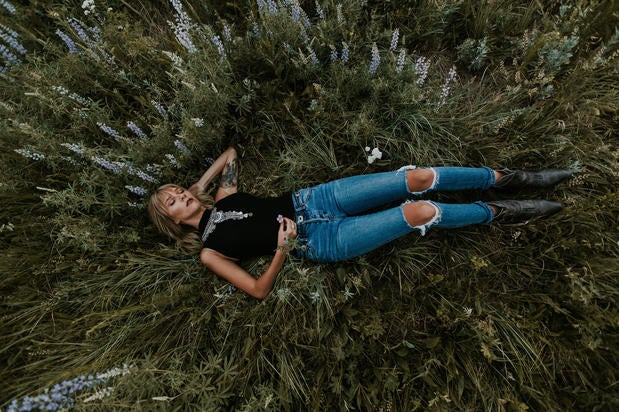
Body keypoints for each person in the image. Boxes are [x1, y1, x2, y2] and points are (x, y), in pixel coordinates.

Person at [148, 146, 572, 299]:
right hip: (319, 239)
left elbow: (230, 153)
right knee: (420, 212)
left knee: (416, 178)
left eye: (178, 191)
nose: (181, 196)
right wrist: (281, 250)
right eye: (173, 201)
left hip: (316, 198)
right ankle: (502, 212)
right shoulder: (209, 252)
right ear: (172, 221)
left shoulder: (224, 195)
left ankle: (508, 179)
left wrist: (197, 185)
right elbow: (258, 290)